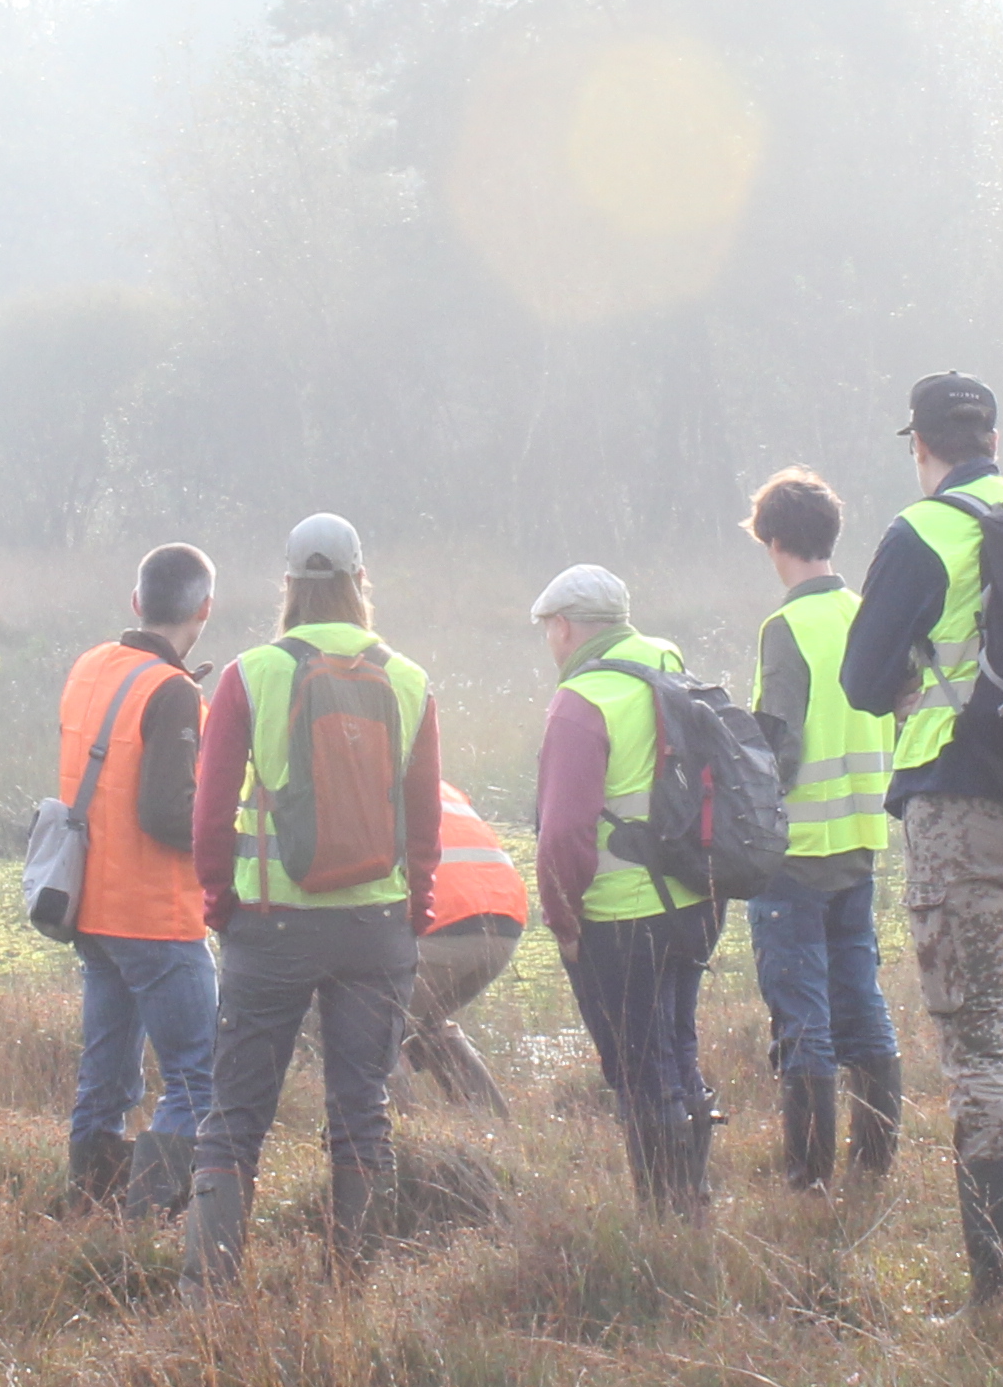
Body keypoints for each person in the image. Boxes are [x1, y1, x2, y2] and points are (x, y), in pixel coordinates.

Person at [839, 371, 1003, 1301]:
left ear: (922, 447)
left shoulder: (922, 534)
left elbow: (862, 681)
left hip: (960, 818)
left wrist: (917, 678)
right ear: (995, 436)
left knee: (983, 1048)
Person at [185, 514, 446, 1284]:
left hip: (270, 928)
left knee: (235, 1116)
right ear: (361, 583)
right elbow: (425, 822)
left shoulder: (250, 673)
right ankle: (352, 1290)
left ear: (290, 587)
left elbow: (210, 813)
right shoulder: (408, 679)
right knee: (361, 1105)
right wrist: (414, 912)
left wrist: (220, 906)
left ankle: (208, 1300)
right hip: (376, 930)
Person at [528, 562, 722, 1217]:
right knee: (677, 1046)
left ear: (563, 628)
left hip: (620, 921)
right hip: (694, 902)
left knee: (640, 1070)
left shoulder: (583, 700)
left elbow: (561, 837)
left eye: (548, 631)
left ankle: (666, 1224)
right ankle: (694, 1201)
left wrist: (563, 923)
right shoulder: (668, 662)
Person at [740, 467, 904, 1190]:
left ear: (774, 542)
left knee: (802, 1009)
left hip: (796, 851)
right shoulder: (867, 614)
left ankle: (807, 1178)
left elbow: (778, 743)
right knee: (861, 997)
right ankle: (875, 1161)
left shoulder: (787, 627)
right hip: (862, 840)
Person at [50, 543, 219, 1216]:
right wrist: (229, 827)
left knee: (107, 1081)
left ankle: (87, 1204)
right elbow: (164, 814)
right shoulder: (172, 691)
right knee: (195, 1082)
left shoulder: (91, 667)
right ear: (205, 609)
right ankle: (144, 1219)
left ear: (136, 603)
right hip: (156, 917)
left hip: (91, 910)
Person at [405, 779, 527, 1118]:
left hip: (443, 923)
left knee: (369, 1031)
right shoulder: (438, 784)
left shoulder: (361, 783)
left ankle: (387, 1151)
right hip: (504, 923)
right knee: (425, 1023)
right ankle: (497, 1134)